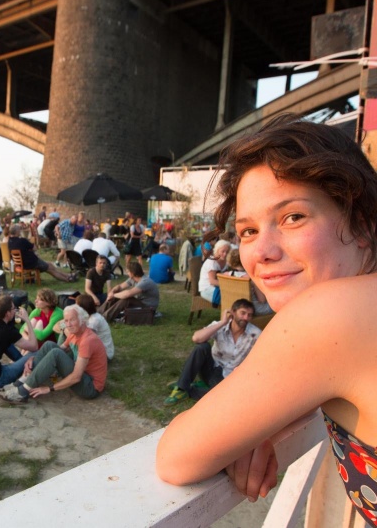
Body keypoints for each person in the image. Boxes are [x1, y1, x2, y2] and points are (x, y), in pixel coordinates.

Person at [156, 115, 377, 521]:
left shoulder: (333, 313)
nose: (261, 252)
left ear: (360, 222)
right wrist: (268, 415)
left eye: (293, 217)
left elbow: (176, 457)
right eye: (248, 231)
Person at [0, 305, 107, 403]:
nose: (68, 324)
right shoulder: (75, 332)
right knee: (49, 345)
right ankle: (20, 382)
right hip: (83, 376)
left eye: (72, 320)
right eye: (66, 321)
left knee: (56, 353)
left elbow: (76, 377)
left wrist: (50, 388)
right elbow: (58, 346)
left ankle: (23, 392)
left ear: (82, 320)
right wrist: (34, 358)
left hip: (90, 387)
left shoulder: (87, 340)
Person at [163, 299, 260, 406]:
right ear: (233, 312)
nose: (246, 318)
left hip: (229, 376)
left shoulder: (255, 334)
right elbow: (196, 338)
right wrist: (223, 323)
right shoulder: (220, 325)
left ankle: (186, 387)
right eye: (243, 313)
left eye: (249, 315)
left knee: (224, 398)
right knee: (202, 347)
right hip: (211, 367)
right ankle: (181, 389)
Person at [7, 225, 78, 282]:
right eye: (19, 230)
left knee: (49, 264)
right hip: (31, 263)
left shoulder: (9, 242)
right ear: (16, 232)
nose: (20, 231)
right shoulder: (22, 240)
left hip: (22, 263)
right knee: (50, 269)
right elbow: (34, 247)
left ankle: (68, 275)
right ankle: (67, 279)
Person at [74, 294, 114, 360]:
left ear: (83, 308)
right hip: (96, 349)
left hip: (104, 355)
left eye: (77, 306)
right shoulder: (86, 316)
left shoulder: (95, 320)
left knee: (72, 337)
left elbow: (84, 338)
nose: (75, 308)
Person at [198, 239, 231, 305]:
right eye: (223, 251)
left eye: (227, 252)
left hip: (218, 287)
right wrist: (228, 285)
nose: (225, 254)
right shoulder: (212, 262)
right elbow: (212, 281)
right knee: (229, 299)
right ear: (217, 250)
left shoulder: (225, 261)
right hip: (207, 289)